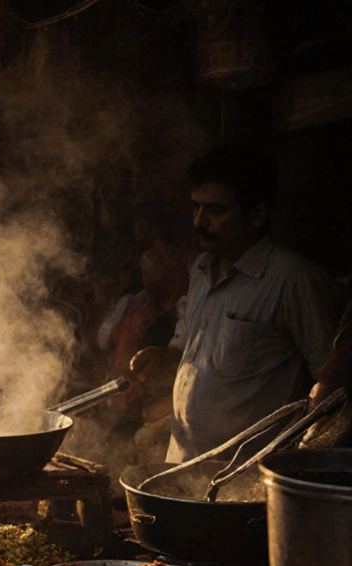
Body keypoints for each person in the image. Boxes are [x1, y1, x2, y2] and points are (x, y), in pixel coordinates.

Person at [131, 145, 341, 462]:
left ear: (256, 214)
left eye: (216, 211)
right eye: (196, 208)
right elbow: (192, 350)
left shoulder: (294, 281)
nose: (199, 222)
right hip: (182, 466)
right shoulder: (200, 270)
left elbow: (333, 386)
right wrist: (164, 359)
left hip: (245, 479)